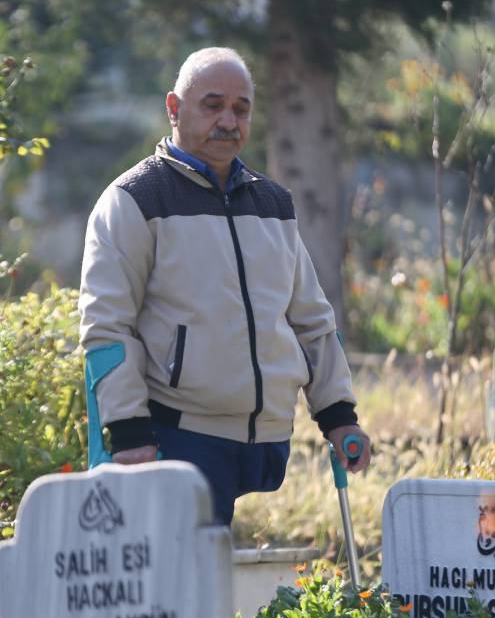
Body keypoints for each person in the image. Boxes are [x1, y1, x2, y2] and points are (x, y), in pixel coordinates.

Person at [79, 47, 370, 526]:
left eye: (241, 108)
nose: (228, 121)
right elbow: (107, 328)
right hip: (176, 436)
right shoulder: (133, 200)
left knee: (209, 582)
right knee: (181, 586)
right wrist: (128, 432)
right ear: (173, 109)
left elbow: (312, 322)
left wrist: (339, 416)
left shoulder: (273, 203)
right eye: (212, 105)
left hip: (264, 440)